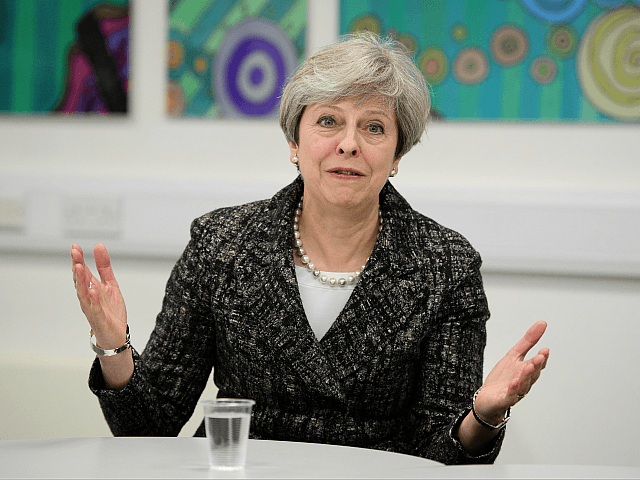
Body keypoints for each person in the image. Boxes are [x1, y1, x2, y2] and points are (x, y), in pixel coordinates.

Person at [71, 33, 549, 465]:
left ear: (397, 155)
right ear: (294, 141)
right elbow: (148, 428)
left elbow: (440, 458)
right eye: (328, 121)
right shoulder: (222, 244)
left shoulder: (446, 265)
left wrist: (483, 415)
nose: (348, 144)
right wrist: (114, 347)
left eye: (374, 128)